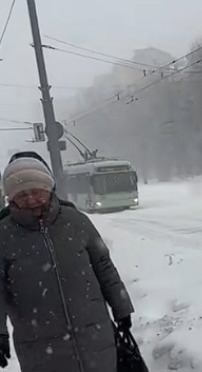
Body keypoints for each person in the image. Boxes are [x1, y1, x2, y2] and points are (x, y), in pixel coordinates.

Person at [0, 152, 135, 371]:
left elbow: (104, 266)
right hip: (40, 346)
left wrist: (122, 309)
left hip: (94, 336)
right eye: (22, 194)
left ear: (49, 189)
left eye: (36, 192)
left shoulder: (76, 221)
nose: (31, 200)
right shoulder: (3, 234)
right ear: (11, 198)